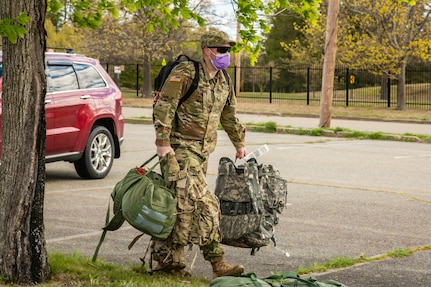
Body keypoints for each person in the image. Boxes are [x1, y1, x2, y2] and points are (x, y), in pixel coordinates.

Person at [152, 29, 247, 278]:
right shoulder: (185, 73)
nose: (227, 55)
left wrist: (239, 144)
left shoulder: (224, 80)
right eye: (223, 50)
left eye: (229, 50)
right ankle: (218, 263)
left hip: (203, 153)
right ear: (208, 51)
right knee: (205, 203)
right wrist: (163, 145)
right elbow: (164, 108)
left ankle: (168, 263)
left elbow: (229, 115)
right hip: (180, 150)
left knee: (181, 205)